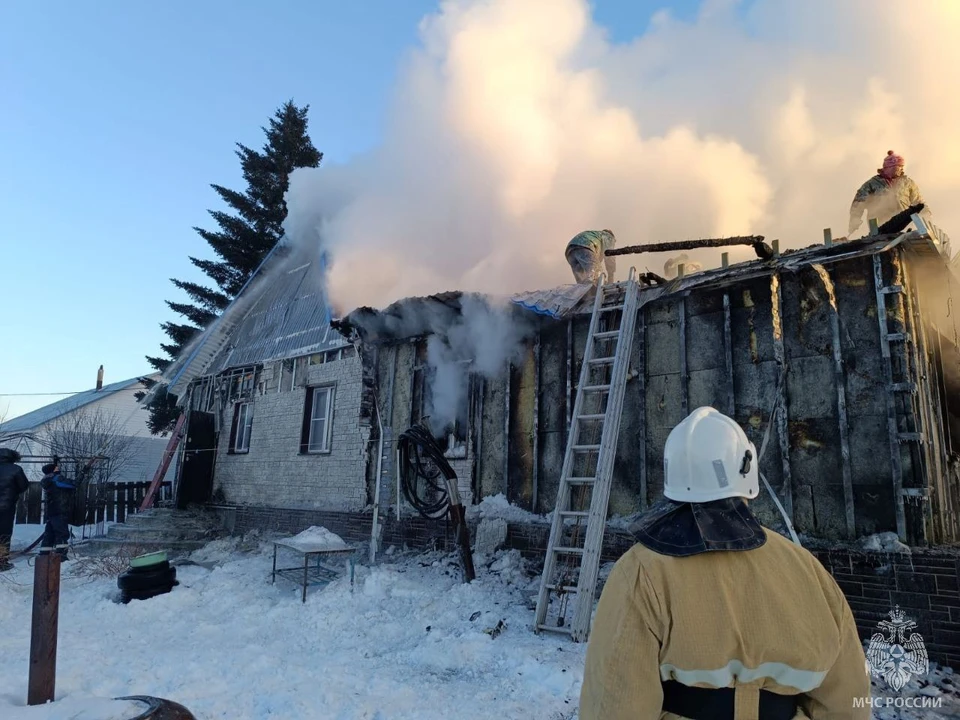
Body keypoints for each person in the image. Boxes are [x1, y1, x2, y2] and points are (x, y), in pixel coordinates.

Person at [579, 407, 870, 720]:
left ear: (671, 473)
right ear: (746, 468)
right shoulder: (807, 570)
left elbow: (614, 705)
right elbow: (847, 700)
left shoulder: (640, 572)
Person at [0, 448, 29, 571]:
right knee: (4, 534)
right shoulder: (16, 469)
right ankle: (2, 561)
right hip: (6, 507)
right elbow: (23, 486)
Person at [40, 460, 75, 559]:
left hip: (51, 511)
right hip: (60, 510)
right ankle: (61, 556)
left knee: (49, 534)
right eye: (56, 467)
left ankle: (44, 554)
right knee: (62, 533)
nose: (58, 468)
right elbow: (73, 484)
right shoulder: (57, 479)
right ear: (52, 470)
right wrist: (84, 472)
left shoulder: (46, 480)